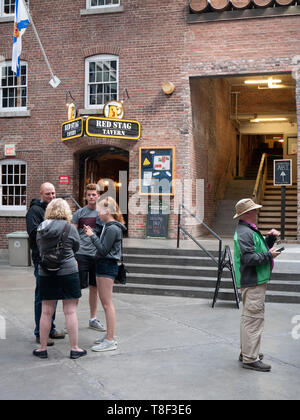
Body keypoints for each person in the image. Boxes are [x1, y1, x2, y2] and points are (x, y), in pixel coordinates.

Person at [33, 198, 86, 360]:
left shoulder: (41, 228)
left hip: (46, 273)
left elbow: (39, 247)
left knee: (46, 311)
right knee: (70, 311)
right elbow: (76, 247)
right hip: (68, 272)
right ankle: (74, 348)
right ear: (66, 211)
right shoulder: (70, 228)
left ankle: (42, 348)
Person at [233, 198, 280, 372]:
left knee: (248, 319)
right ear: (246, 214)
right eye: (254, 210)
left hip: (253, 280)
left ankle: (246, 352)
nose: (256, 212)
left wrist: (270, 240)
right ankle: (250, 358)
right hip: (253, 281)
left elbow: (256, 251)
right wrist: (270, 256)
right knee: (253, 320)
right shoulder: (245, 232)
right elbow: (248, 259)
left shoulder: (247, 230)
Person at [83, 197, 126, 352]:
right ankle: (108, 335)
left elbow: (103, 250)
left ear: (107, 211)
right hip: (103, 265)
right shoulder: (108, 226)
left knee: (107, 304)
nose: (97, 214)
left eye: (100, 210)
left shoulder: (113, 228)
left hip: (107, 266)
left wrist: (91, 235)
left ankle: (110, 339)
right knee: (105, 303)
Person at [26, 182, 65, 345]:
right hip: (41, 260)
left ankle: (51, 328)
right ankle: (39, 332)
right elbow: (34, 234)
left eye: (53, 193)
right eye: (48, 194)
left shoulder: (55, 211)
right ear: (41, 194)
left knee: (53, 295)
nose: (51, 196)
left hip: (57, 258)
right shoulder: (34, 211)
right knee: (42, 296)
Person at [71, 183, 105, 332]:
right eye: (89, 195)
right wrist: (72, 255)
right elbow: (71, 235)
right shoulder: (79, 213)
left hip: (96, 255)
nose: (91, 197)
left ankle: (93, 318)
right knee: (77, 288)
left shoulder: (102, 213)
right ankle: (71, 318)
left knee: (94, 288)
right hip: (81, 255)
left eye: (94, 194)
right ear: (86, 196)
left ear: (98, 196)